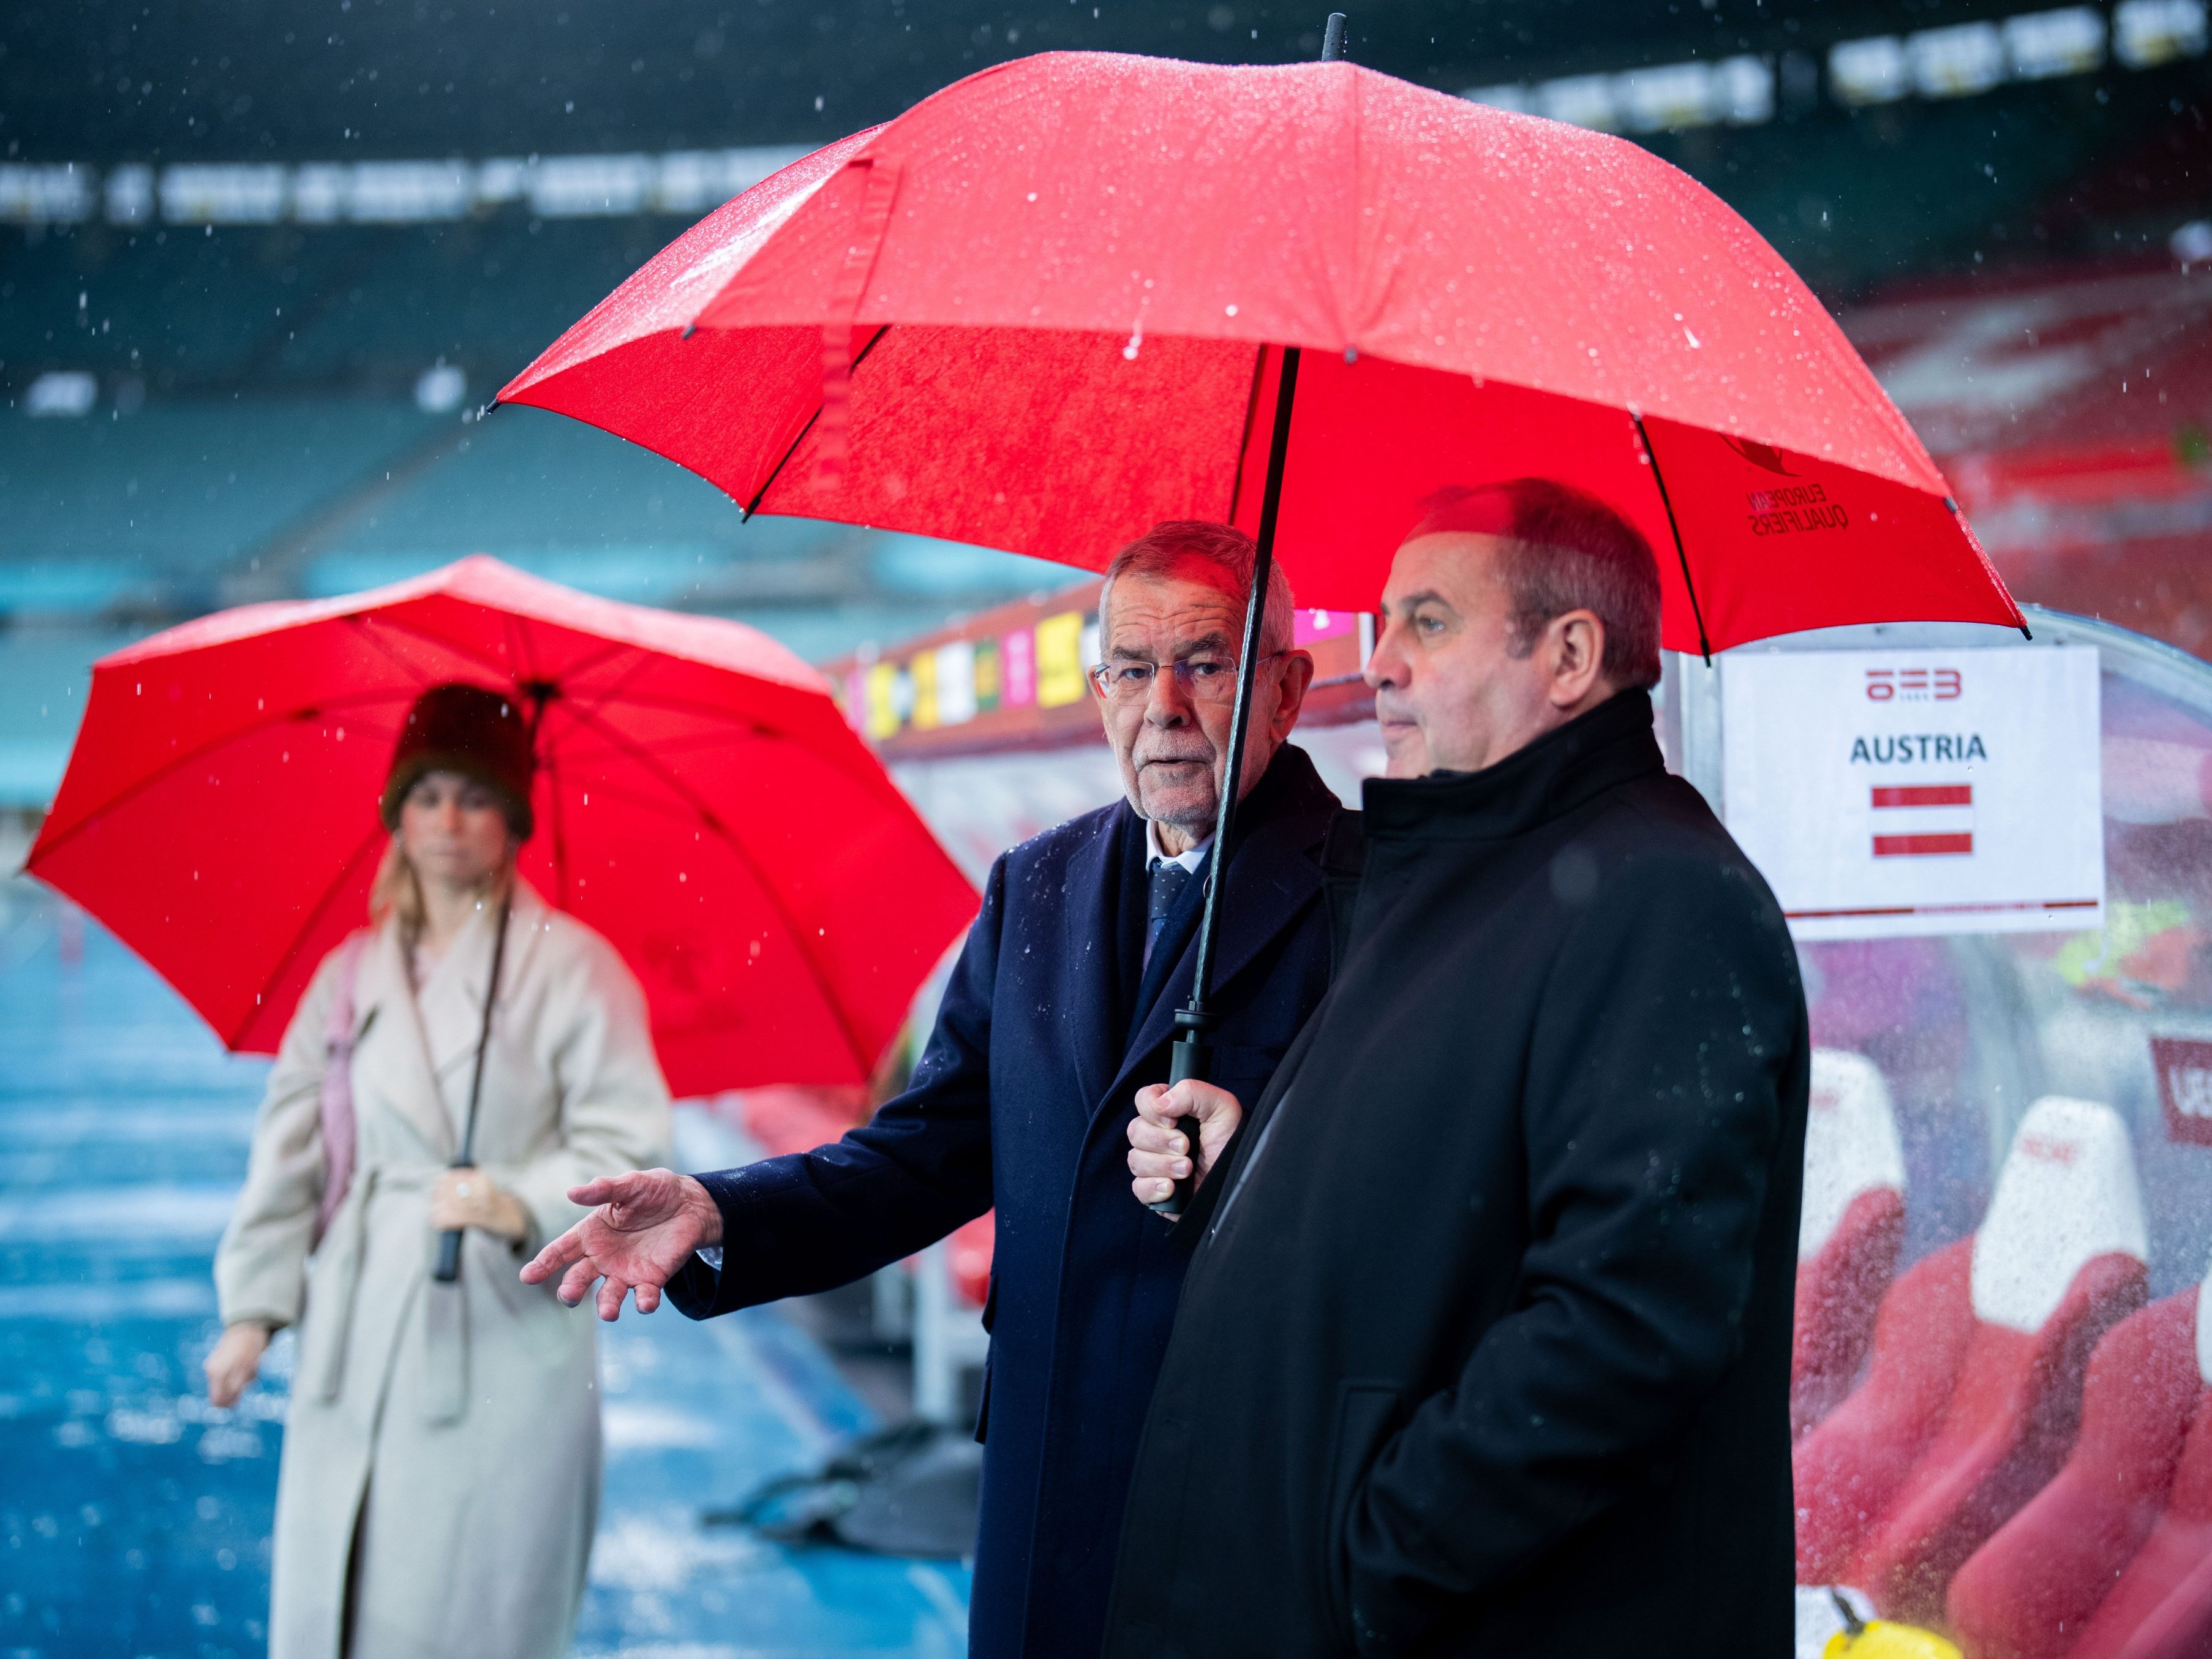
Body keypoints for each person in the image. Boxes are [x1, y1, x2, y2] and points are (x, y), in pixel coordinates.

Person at [521, 521, 1341, 1659]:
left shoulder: (1368, 902)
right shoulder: (1039, 885)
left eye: (1207, 663)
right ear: (1097, 690)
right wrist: (723, 1212)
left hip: (1245, 1495)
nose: (1165, 705)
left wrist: (1258, 1165)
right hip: (1044, 1485)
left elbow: (1409, 1204)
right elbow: (925, 1154)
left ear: (1288, 687)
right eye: (1132, 668)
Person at [1107, 480, 1809, 1657]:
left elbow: (1622, 1331)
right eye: (1381, 624)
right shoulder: (1472, 876)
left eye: (1426, 622)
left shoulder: (1665, 900)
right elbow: (1450, 1202)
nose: (1378, 664)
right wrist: (1256, 1171)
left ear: (1571, 653)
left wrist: (1370, 1560)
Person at [206, 683, 672, 1659]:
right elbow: (291, 1151)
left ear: (511, 816)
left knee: (467, 1613)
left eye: (474, 796)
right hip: (358, 1318)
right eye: (427, 796)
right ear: (397, 815)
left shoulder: (575, 969)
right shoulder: (346, 976)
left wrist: (518, 1197)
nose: (449, 821)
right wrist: (254, 1310)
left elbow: (628, 1150)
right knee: (341, 1596)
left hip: (500, 1338)